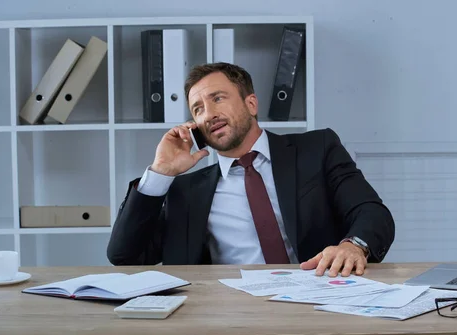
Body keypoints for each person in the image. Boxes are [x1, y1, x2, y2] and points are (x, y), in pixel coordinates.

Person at [107, 62, 395, 277]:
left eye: (218, 98)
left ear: (251, 103)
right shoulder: (185, 191)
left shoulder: (316, 149)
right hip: (230, 313)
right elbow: (124, 255)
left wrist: (353, 246)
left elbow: (371, 212)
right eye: (197, 109)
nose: (209, 114)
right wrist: (161, 172)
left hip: (321, 296)